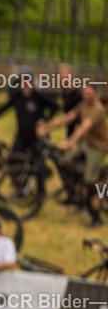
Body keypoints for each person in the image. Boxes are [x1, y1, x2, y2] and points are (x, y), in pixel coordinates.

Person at [46, 84, 108, 228]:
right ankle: (78, 195)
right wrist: (50, 126)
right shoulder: (83, 105)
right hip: (87, 144)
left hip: (98, 147)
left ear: (95, 94)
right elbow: (70, 117)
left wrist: (69, 143)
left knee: (89, 181)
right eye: (85, 94)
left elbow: (84, 128)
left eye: (90, 94)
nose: (87, 96)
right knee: (64, 161)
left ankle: (96, 217)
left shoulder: (97, 109)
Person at [0, 67, 58, 156]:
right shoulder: (17, 96)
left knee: (36, 164)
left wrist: (45, 120)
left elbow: (55, 106)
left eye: (27, 81)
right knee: (14, 159)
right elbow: (3, 109)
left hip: (37, 136)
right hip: (22, 135)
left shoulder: (38, 95)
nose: (25, 84)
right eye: (22, 81)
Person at [58, 63, 84, 138]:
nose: (63, 75)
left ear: (71, 75)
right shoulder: (64, 92)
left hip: (79, 131)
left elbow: (81, 114)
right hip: (69, 128)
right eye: (61, 73)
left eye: (66, 73)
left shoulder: (78, 94)